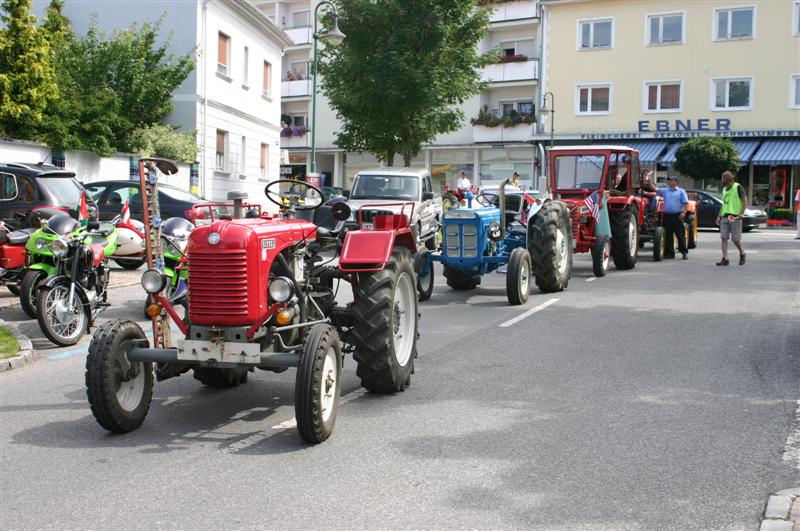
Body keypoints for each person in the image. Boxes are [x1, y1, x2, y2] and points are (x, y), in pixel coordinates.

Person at [716, 171, 747, 265]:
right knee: (723, 237)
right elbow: (724, 204)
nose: (721, 180)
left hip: (735, 217)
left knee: (735, 239)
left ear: (727, 179)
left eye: (722, 178)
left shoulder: (738, 187)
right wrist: (719, 216)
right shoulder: (724, 189)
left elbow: (745, 200)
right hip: (725, 217)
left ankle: (742, 253)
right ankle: (725, 259)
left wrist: (742, 213)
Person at [657, 176, 689, 259]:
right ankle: (670, 253)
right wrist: (648, 180)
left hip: (678, 216)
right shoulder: (665, 191)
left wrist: (683, 212)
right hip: (667, 216)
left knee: (680, 235)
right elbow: (655, 189)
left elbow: (685, 203)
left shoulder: (681, 191)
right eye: (670, 180)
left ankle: (684, 252)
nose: (670, 182)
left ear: (676, 182)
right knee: (668, 235)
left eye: (672, 180)